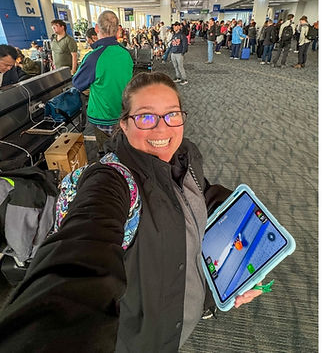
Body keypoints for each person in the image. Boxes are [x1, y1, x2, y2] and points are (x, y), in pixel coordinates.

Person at [0, 72, 261, 351]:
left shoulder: (185, 154)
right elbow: (80, 252)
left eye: (172, 114)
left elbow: (198, 193)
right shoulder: (111, 180)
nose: (162, 130)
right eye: (146, 117)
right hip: (146, 340)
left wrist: (230, 208)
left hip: (185, 312)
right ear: (124, 124)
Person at [73, 10, 134, 153]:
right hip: (123, 113)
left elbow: (77, 83)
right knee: (124, 149)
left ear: (96, 28)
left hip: (102, 117)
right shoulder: (125, 54)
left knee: (106, 151)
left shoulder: (93, 57)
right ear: (117, 29)